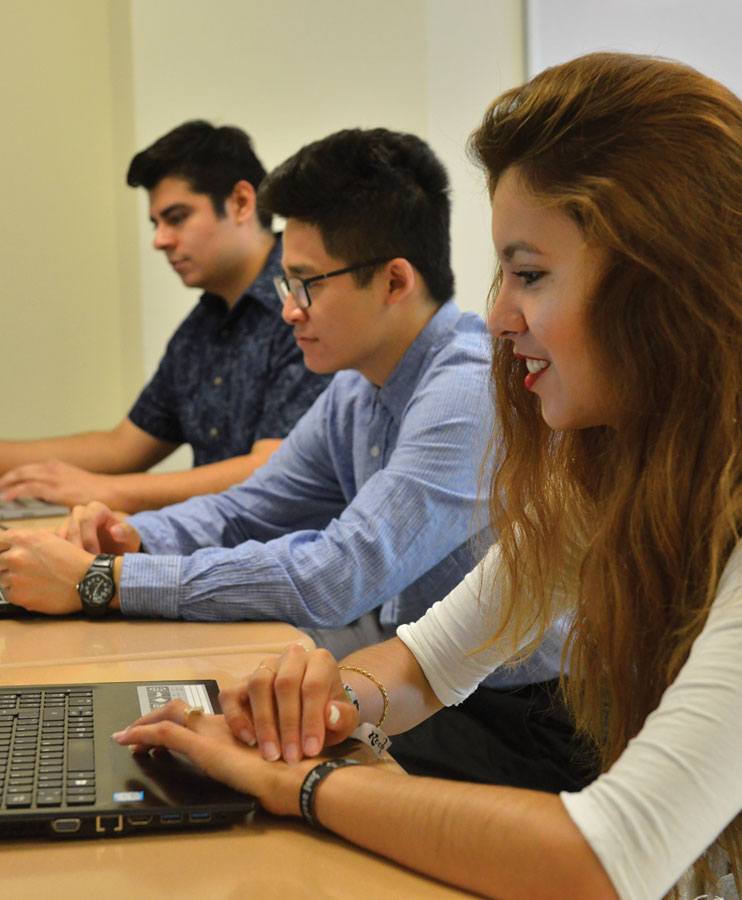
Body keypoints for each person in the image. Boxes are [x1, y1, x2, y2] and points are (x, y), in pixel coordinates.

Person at [110, 54, 740, 900]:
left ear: (661, 286)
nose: (500, 315)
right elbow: (422, 665)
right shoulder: (611, 474)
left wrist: (298, 782)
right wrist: (321, 703)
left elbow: (602, 859)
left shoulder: (466, 390)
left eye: (530, 274)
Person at [0, 121, 329, 513]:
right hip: (211, 553)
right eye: (157, 224)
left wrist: (106, 491)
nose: (160, 240)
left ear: (242, 202)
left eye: (177, 217)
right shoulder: (201, 327)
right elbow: (122, 447)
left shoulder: (306, 304)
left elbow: (273, 469)